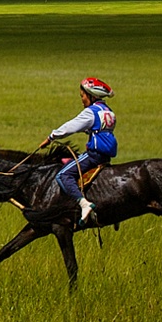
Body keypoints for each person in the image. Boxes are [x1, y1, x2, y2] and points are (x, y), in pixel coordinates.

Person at [43, 77, 117, 225]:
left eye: (82, 96)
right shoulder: (108, 112)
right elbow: (98, 130)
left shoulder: (91, 112)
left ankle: (84, 204)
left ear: (91, 96)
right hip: (106, 157)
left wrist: (52, 137)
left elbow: (71, 126)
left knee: (63, 175)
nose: (82, 100)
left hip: (94, 155)